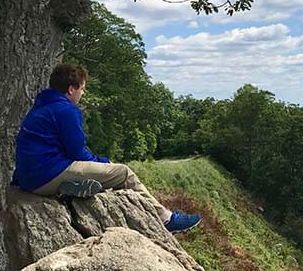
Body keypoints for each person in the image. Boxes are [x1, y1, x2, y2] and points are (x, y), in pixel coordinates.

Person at [12, 63, 201, 233]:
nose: (83, 93)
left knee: (94, 171)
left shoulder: (40, 107)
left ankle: (71, 187)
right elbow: (77, 152)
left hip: (29, 179)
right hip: (47, 175)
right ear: (71, 89)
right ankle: (166, 219)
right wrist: (104, 161)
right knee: (123, 173)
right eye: (82, 89)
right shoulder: (66, 110)